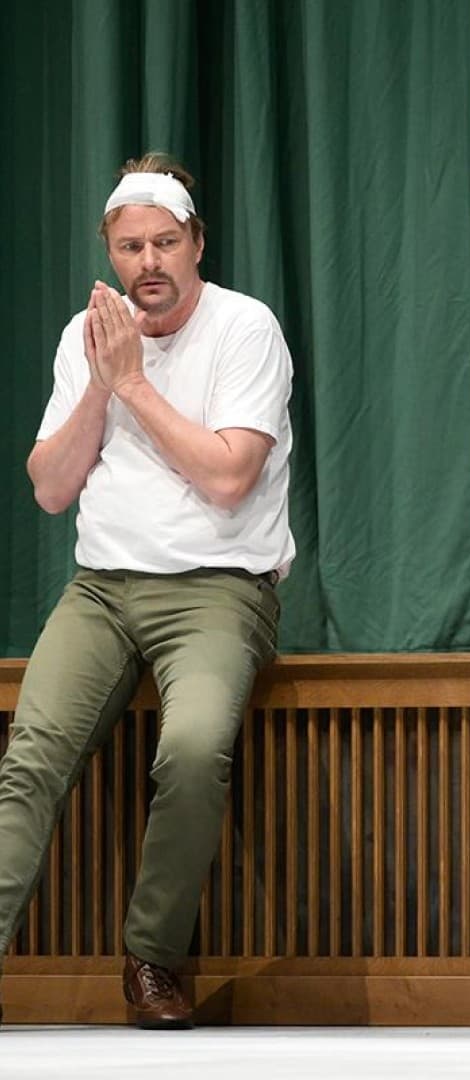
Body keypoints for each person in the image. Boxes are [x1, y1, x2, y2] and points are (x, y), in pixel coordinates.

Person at [0, 153, 294, 1028]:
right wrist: (100, 379)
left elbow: (232, 476)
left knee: (197, 748)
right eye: (131, 247)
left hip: (218, 587)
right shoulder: (85, 336)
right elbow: (51, 488)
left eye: (166, 242)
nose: (149, 263)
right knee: (31, 759)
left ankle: (154, 959)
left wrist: (133, 381)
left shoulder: (246, 329)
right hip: (101, 588)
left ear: (197, 244)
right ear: (111, 251)